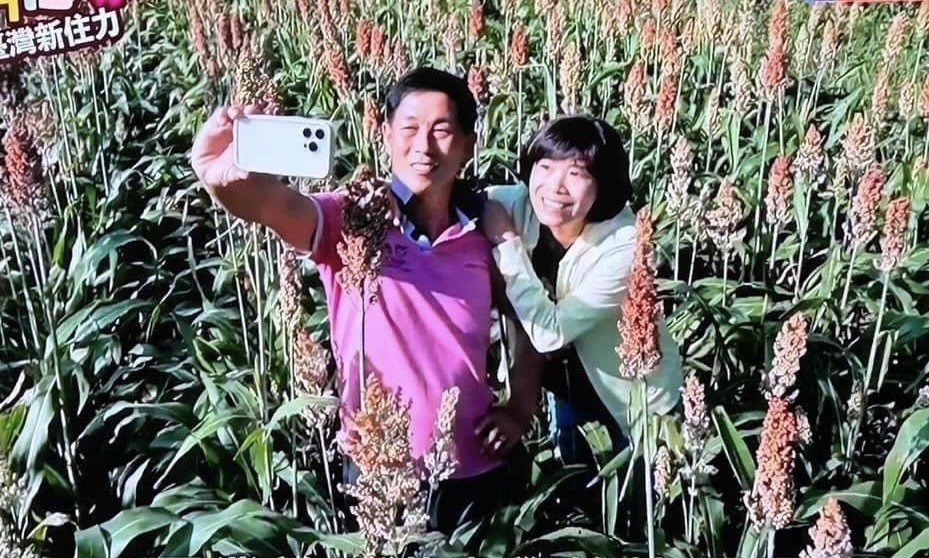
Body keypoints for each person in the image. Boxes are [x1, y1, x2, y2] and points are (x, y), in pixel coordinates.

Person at [189, 67, 542, 535]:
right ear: (385, 134)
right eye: (410, 128)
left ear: (468, 144)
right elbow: (274, 206)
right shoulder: (352, 217)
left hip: (472, 462)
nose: (424, 146)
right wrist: (219, 179)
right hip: (379, 464)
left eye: (442, 130)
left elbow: (526, 318)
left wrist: (520, 406)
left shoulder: (486, 231)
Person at [482, 114, 682, 466]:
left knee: (641, 510)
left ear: (603, 184)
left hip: (636, 405)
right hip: (566, 392)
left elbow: (550, 333)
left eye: (576, 174)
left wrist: (507, 243)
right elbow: (448, 201)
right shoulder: (513, 204)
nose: (555, 187)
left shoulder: (626, 247)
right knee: (576, 490)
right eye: (544, 167)